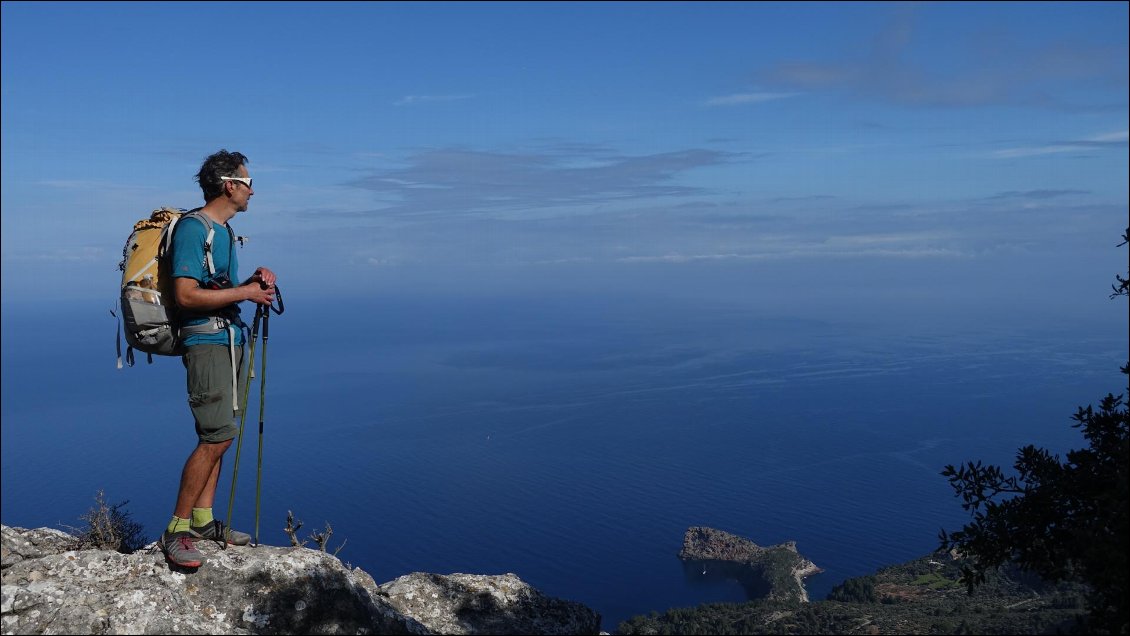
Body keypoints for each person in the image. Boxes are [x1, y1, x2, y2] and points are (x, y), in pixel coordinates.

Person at [156, 149, 277, 568]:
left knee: (224, 433)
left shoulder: (221, 232)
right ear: (229, 185)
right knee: (215, 437)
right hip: (207, 343)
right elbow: (187, 295)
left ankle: (203, 521)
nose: (252, 191)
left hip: (227, 339)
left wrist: (250, 283)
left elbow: (215, 287)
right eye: (247, 182)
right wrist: (246, 293)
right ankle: (177, 529)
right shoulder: (195, 229)